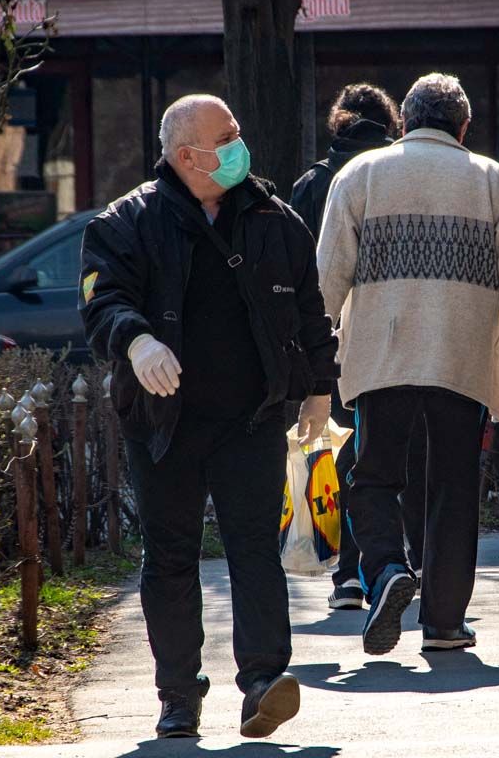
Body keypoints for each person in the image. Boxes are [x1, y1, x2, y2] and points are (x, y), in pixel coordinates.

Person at [79, 94, 338, 740]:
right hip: (162, 425)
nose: (238, 142)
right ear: (187, 156)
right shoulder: (127, 222)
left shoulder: (275, 220)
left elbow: (310, 311)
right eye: (225, 137)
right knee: (169, 555)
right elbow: (101, 297)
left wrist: (318, 390)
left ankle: (262, 682)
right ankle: (178, 695)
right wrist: (136, 340)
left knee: (254, 548)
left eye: (237, 132)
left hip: (250, 420)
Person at [316, 73, 499, 656]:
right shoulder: (496, 183)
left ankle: (389, 568)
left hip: (379, 359)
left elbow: (326, 280)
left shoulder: (358, 176)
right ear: (464, 127)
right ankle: (445, 622)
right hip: (462, 360)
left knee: (371, 477)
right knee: (452, 485)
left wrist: (312, 361)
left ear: (405, 124)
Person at [290, 83, 426, 612]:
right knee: (390, 455)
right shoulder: (396, 175)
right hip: (391, 336)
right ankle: (393, 563)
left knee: (340, 451)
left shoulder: (312, 184)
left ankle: (348, 574)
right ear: (391, 124)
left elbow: (302, 264)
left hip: (330, 338)